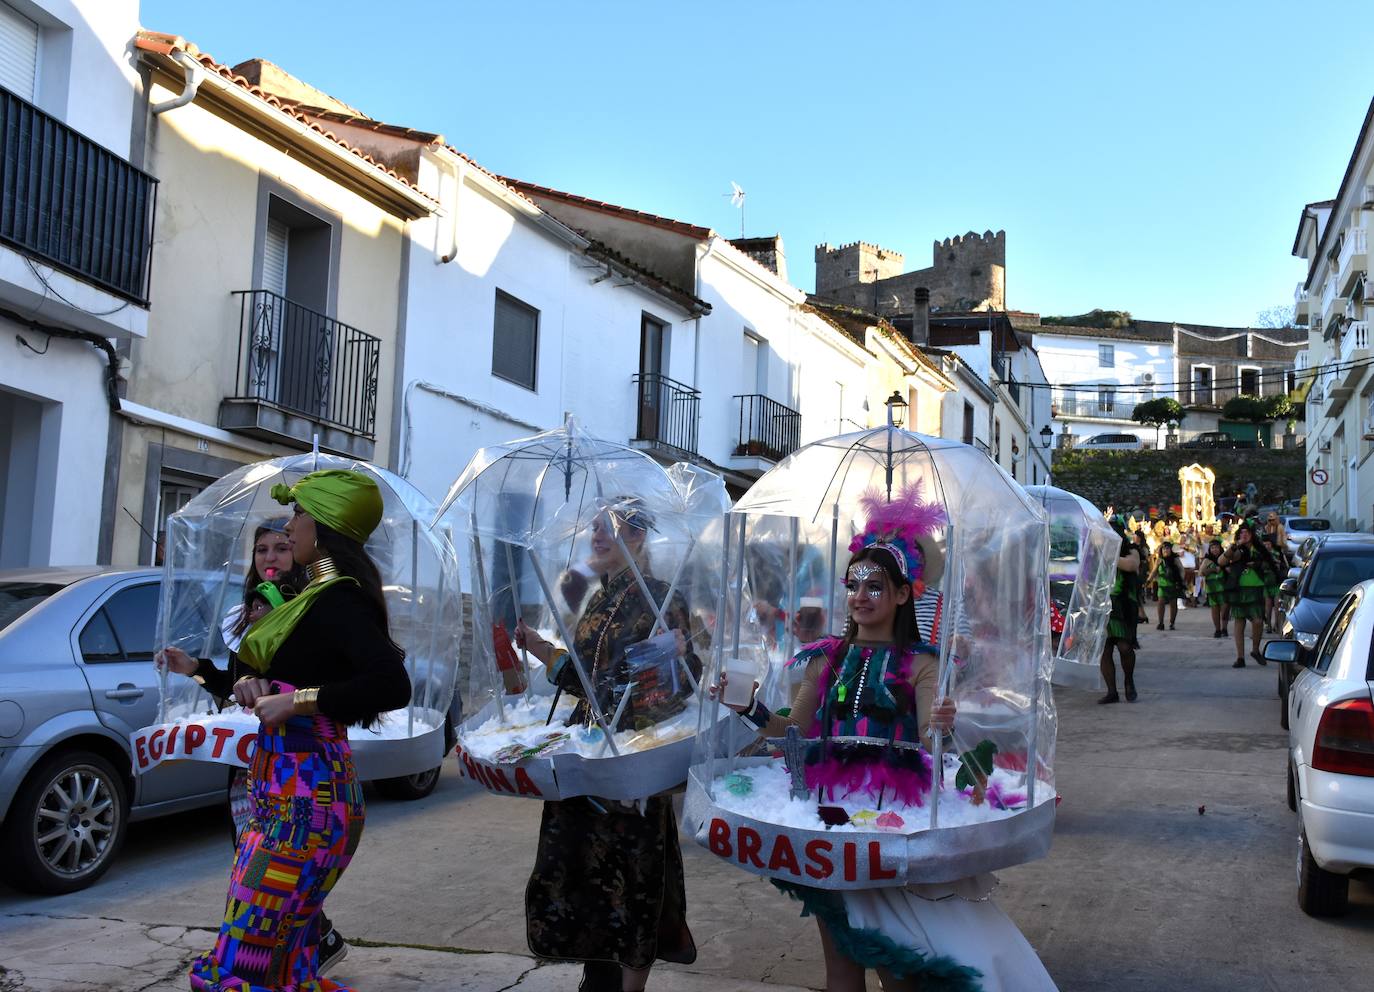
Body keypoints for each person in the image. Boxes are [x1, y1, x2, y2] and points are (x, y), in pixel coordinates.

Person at [720, 489, 1057, 992]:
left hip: (891, 809)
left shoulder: (924, 662)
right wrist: (746, 705)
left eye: (874, 586)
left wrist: (942, 722)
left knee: (894, 961)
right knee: (839, 960)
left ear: (903, 594)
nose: (859, 596)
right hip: (824, 808)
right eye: (853, 584)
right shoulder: (825, 657)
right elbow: (794, 731)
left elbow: (927, 741)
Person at [163, 469, 411, 991]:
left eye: (298, 515)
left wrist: (296, 701)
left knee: (245, 952)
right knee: (280, 959)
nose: (290, 526)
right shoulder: (309, 599)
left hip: (310, 803)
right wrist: (252, 680)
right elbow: (292, 671)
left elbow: (391, 683)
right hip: (279, 793)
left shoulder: (337, 598)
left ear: (320, 525)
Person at [515, 500, 700, 992]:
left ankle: (629, 986)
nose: (596, 536)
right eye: (594, 528)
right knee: (582, 871)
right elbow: (587, 679)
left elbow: (684, 683)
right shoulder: (597, 598)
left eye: (608, 529)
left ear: (636, 537)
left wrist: (673, 659)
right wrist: (541, 649)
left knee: (633, 873)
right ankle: (595, 980)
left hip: (637, 755)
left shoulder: (662, 598)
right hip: (589, 751)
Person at [158, 518, 350, 975]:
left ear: (302, 554)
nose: (270, 558)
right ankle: (308, 943)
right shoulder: (248, 613)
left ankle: (300, 949)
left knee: (284, 864)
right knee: (253, 860)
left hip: (305, 763)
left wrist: (280, 649)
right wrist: (194, 668)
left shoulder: (315, 608)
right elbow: (239, 684)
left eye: (282, 548)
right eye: (262, 549)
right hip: (257, 761)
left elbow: (327, 682)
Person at [1220, 523, 1276, 668]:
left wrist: (1258, 565)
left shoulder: (1259, 549)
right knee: (1239, 622)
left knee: (1258, 621)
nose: (1244, 535)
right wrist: (1233, 547)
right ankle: (1240, 658)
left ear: (1252, 535)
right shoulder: (1237, 550)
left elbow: (1269, 564)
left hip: (1255, 590)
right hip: (1239, 590)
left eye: (1247, 532)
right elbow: (1221, 561)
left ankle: (1255, 650)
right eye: (1242, 533)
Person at [1101, 517, 1141, 704]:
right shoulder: (1097, 550)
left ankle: (1128, 681)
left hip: (1123, 605)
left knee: (1125, 647)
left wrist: (1109, 553)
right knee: (1105, 648)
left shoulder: (1132, 550)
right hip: (1102, 603)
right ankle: (1111, 691)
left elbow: (1131, 565)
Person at [1150, 541, 1184, 631]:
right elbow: (1154, 572)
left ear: (1171, 550)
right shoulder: (1159, 560)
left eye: (1168, 548)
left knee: (1173, 604)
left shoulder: (1175, 559)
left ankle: (1172, 623)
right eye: (1164, 548)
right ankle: (1160, 622)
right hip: (1162, 586)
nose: (1166, 550)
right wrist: (1148, 581)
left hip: (1173, 585)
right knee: (1161, 603)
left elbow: (1181, 570)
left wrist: (1181, 581)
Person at [1199, 539, 1228, 639]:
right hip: (1212, 589)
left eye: (1216, 547)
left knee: (1224, 610)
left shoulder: (1225, 558)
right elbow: (1201, 572)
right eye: (1212, 548)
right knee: (1215, 610)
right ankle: (1217, 629)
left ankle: (1224, 627)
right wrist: (1213, 569)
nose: (1215, 550)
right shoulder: (1207, 560)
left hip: (1224, 589)